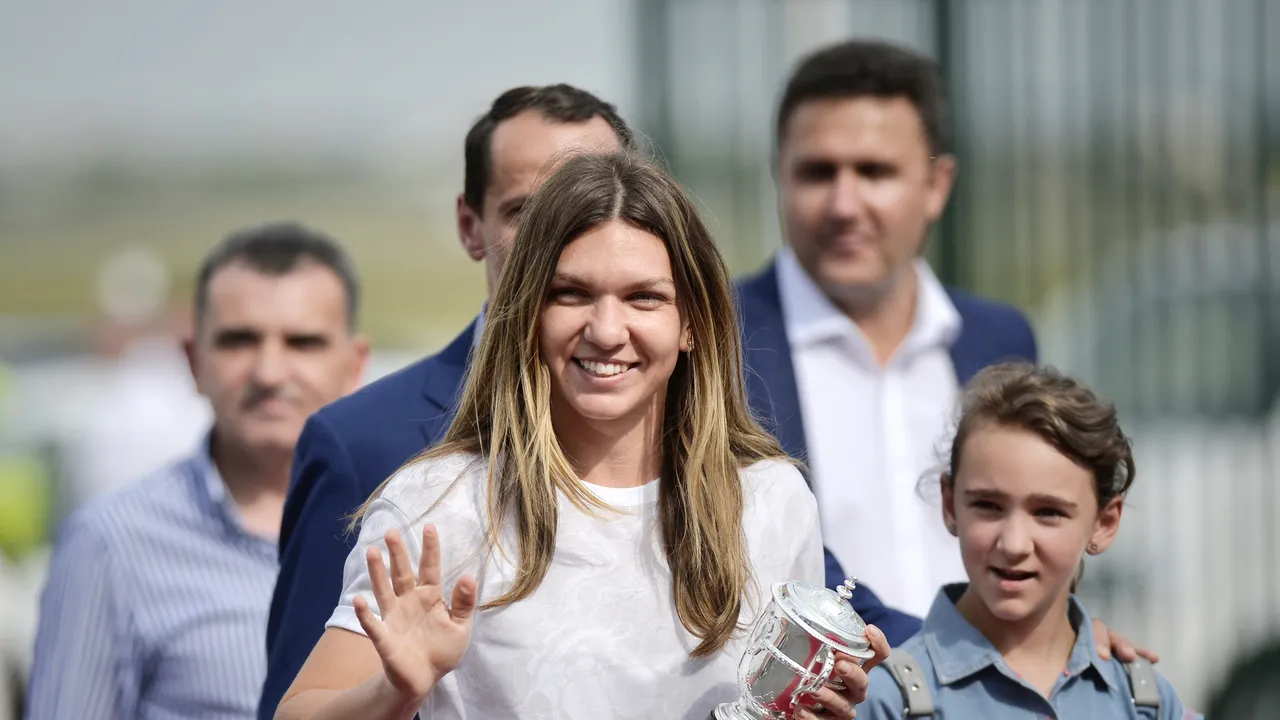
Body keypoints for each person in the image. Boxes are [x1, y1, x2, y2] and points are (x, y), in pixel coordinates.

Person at [260, 83, 916, 719]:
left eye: (642, 298)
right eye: (570, 293)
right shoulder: (438, 507)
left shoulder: (772, 504)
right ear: (527, 314)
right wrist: (395, 693)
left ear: (691, 322)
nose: (606, 330)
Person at [738, 38, 1038, 622]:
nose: (844, 204)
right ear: (779, 177)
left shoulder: (1000, 341)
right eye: (818, 172)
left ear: (937, 186)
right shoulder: (715, 340)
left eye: (874, 172)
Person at [26, 222, 369, 719]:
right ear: (192, 359)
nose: (269, 373)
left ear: (354, 363)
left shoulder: (402, 522)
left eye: (302, 343)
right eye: (239, 341)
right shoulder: (111, 543)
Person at [859, 363, 1200, 719]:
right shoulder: (885, 699)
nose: (1014, 544)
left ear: (1105, 522)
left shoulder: (1147, 704)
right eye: (988, 506)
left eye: (1048, 512)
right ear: (950, 504)